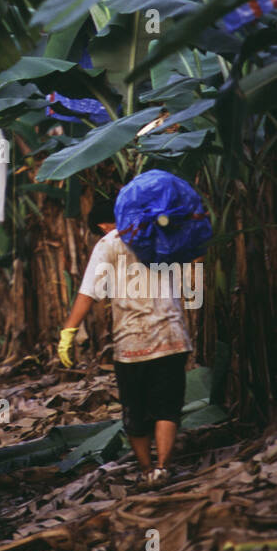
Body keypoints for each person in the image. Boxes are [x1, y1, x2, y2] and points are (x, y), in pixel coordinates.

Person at [57, 192, 193, 488]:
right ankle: (163, 468)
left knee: (136, 411)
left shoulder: (108, 244)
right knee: (167, 407)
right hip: (172, 337)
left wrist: (69, 331)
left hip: (132, 344)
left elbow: (88, 293)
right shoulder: (162, 234)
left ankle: (146, 471)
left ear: (105, 225)